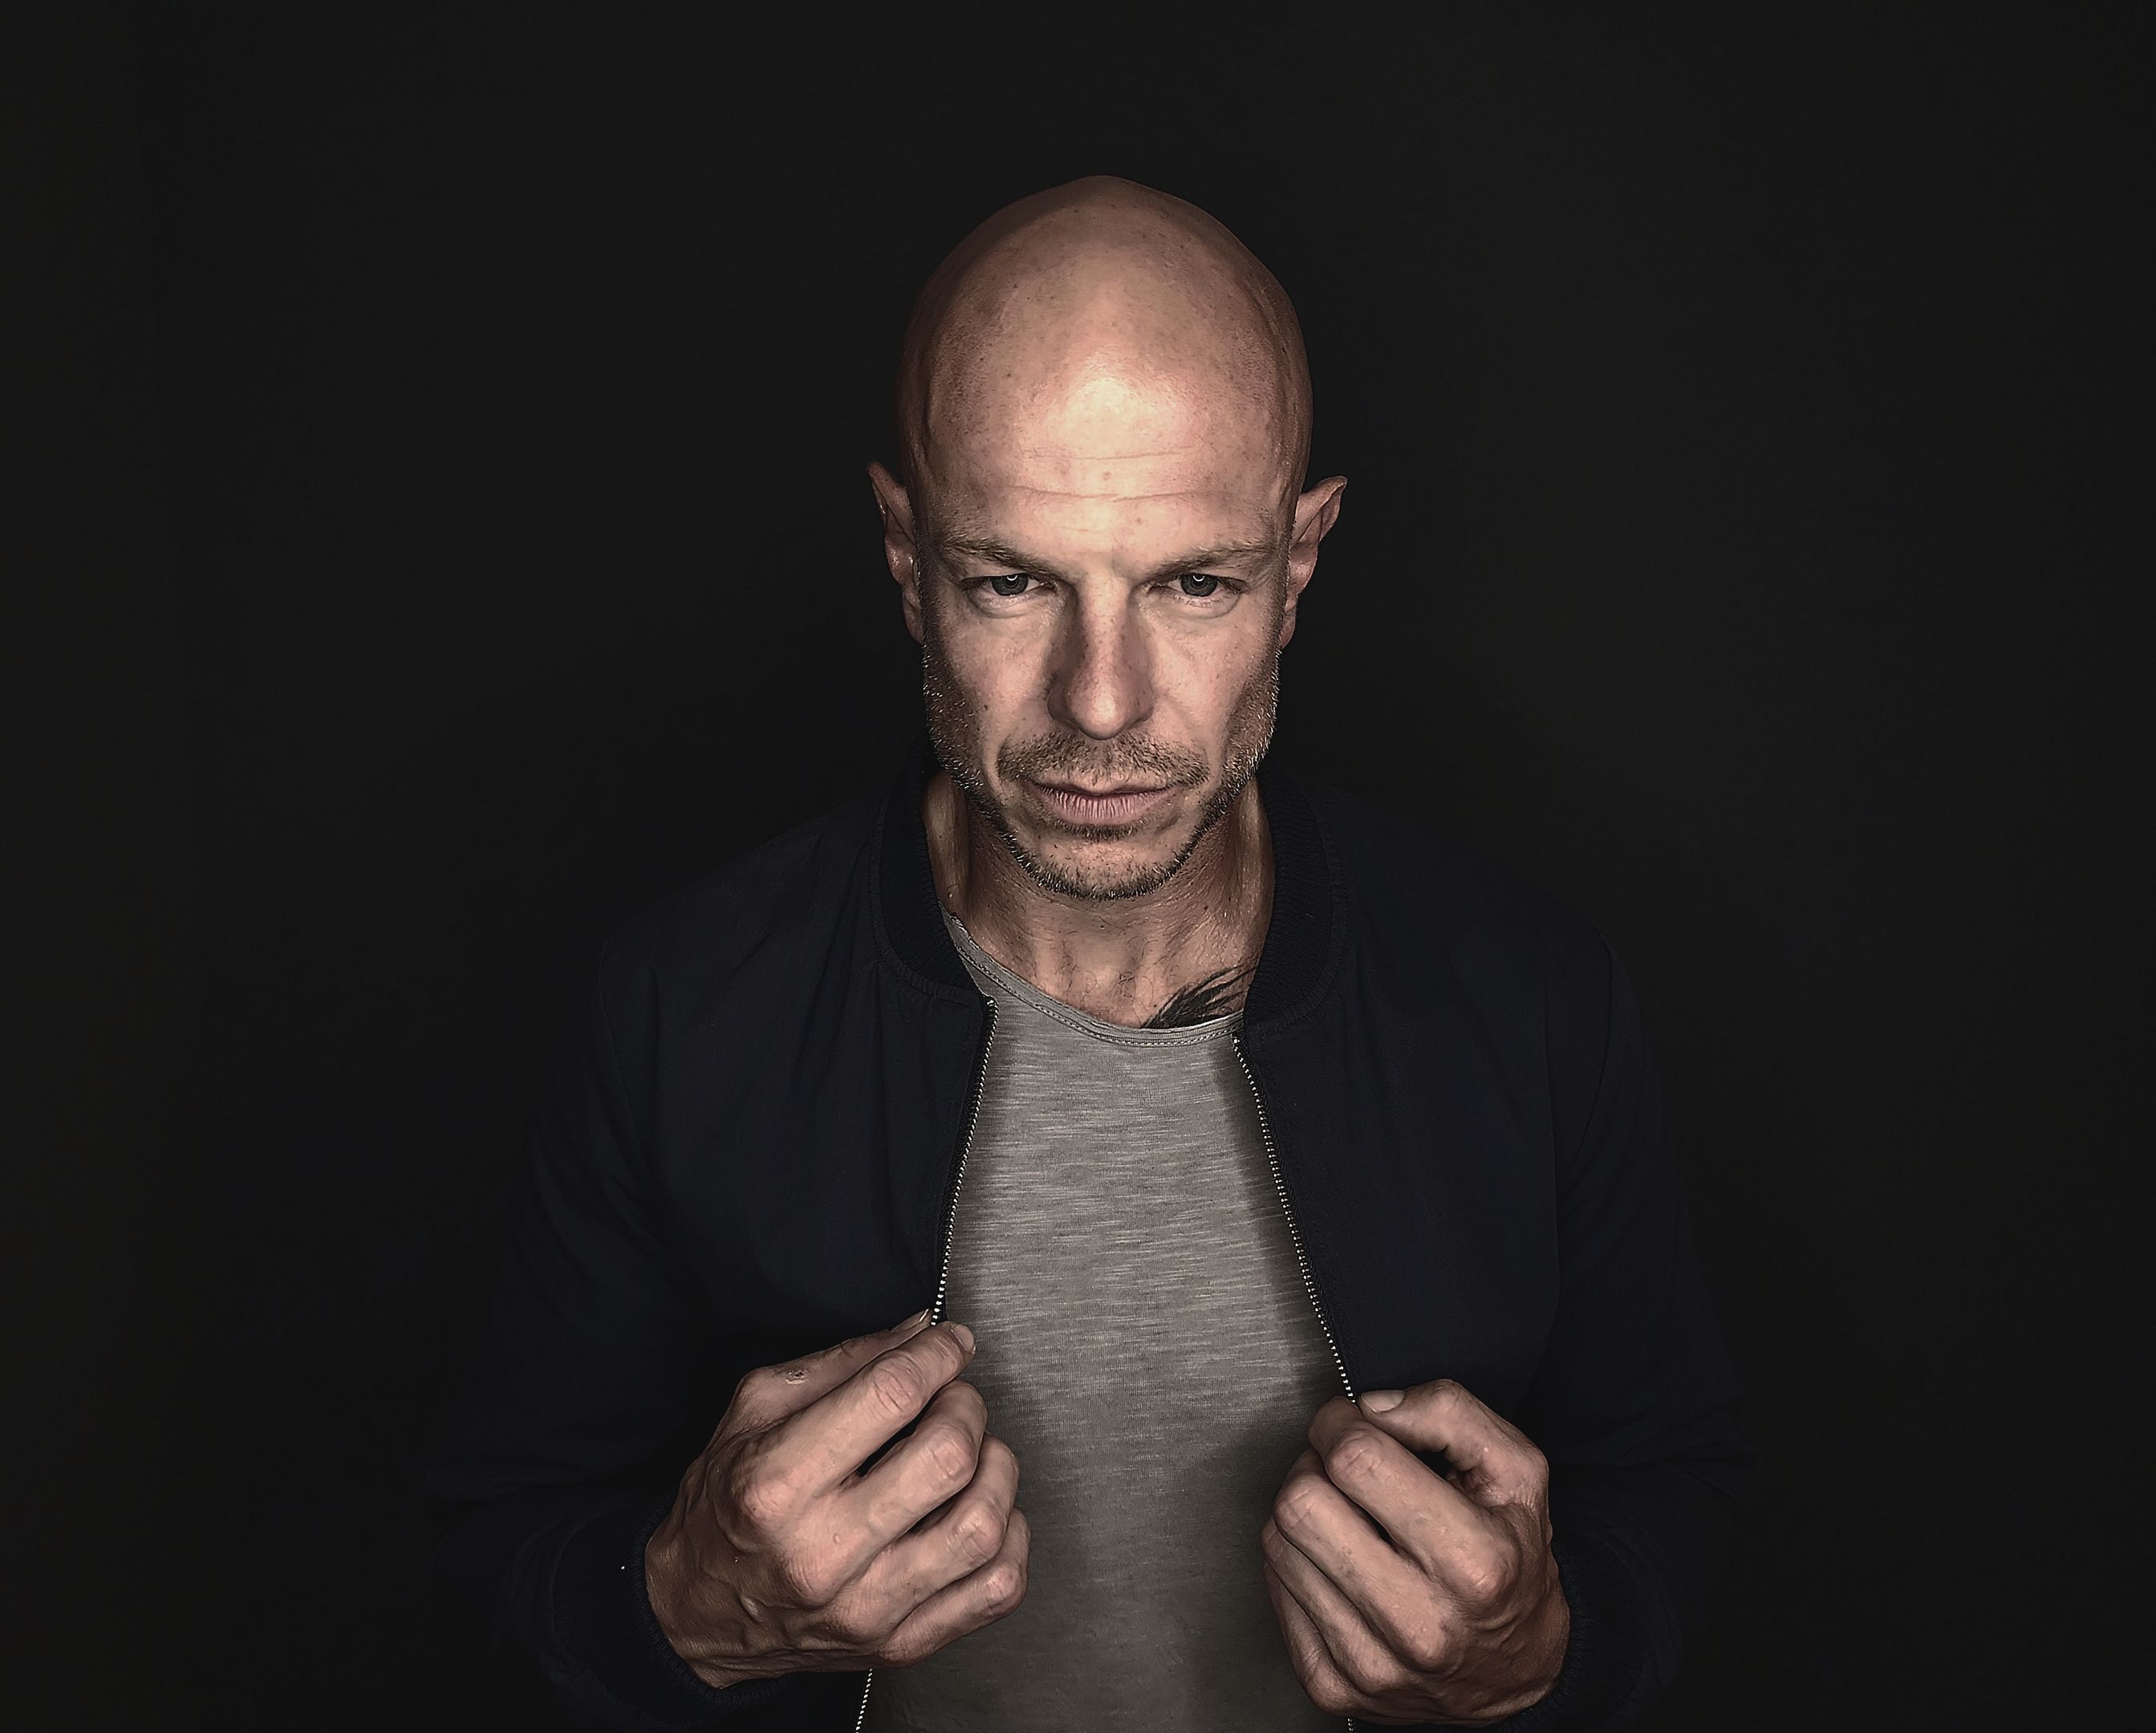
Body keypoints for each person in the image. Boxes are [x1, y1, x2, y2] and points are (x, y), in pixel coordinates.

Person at [403, 176, 1753, 1732]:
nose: (1100, 704)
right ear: (905, 559)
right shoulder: (683, 1010)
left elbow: (1674, 1485)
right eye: (1012, 582)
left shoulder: (1529, 998)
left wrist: (1544, 1653)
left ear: (1299, 565)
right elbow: (493, 1547)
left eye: (1194, 584)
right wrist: (687, 1610)